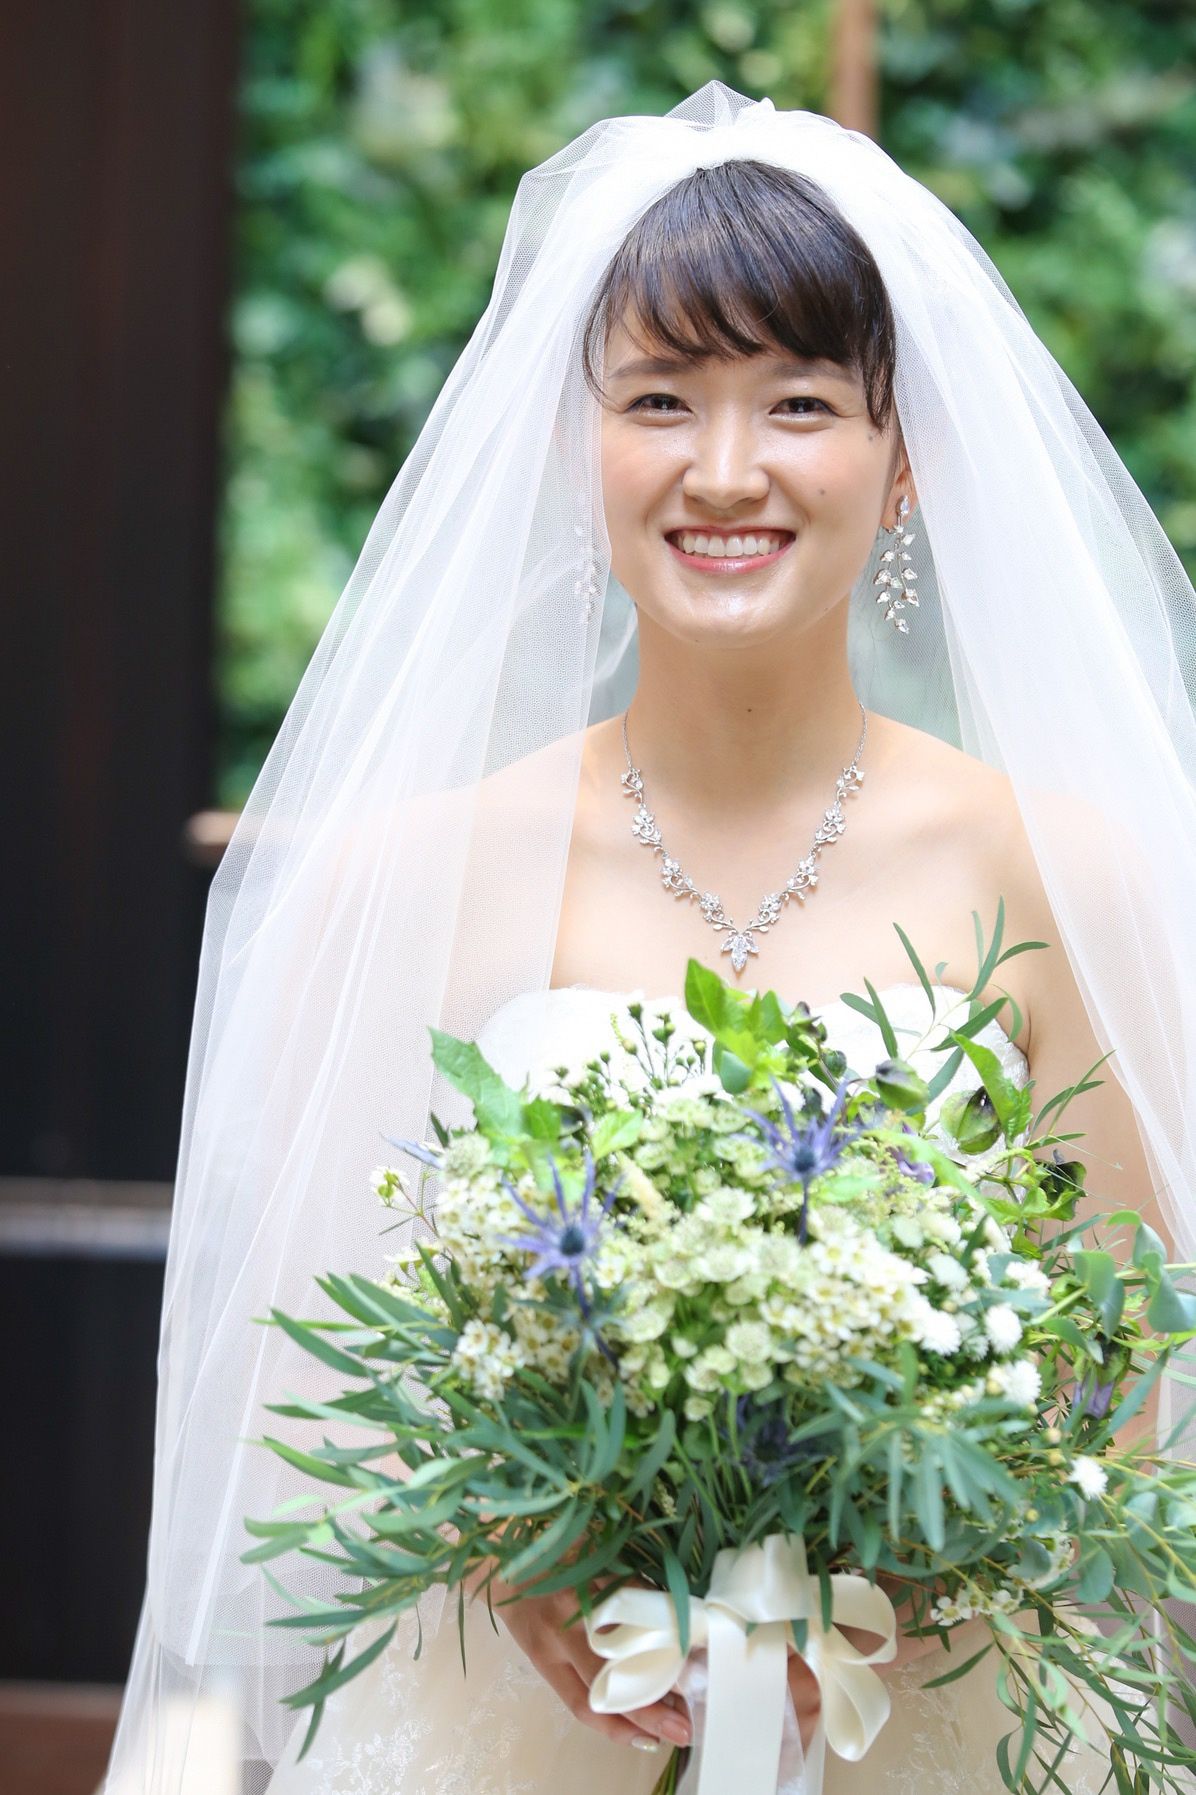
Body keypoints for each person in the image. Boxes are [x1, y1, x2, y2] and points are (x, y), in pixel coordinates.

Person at [103, 83, 1196, 1794]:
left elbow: (1129, 1393)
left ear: (905, 462)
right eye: (663, 398)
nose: (728, 470)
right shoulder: (402, 882)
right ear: (575, 444)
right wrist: (508, 1556)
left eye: (802, 401)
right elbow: (308, 1417)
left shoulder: (1062, 877)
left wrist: (917, 1580)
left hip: (939, 1730)